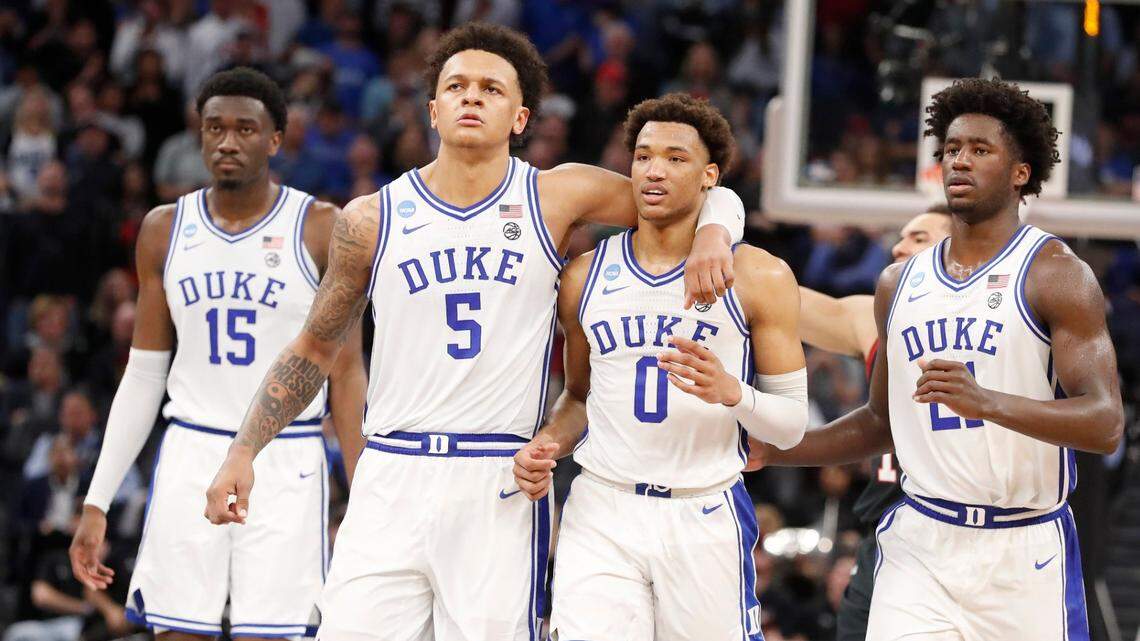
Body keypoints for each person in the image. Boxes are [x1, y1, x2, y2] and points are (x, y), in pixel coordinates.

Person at [204, 24, 745, 641]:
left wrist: (715, 232)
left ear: (521, 117)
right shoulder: (372, 218)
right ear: (433, 109)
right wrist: (243, 450)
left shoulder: (554, 195)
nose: (471, 97)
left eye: (492, 88)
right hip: (391, 471)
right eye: (456, 86)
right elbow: (313, 349)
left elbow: (689, 193)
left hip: (498, 474)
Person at [754, 77, 1124, 640]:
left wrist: (988, 402)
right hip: (920, 541)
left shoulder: (1057, 274)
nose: (959, 161)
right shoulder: (896, 284)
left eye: (980, 150)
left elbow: (1104, 423)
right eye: (951, 149)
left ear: (1021, 172)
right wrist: (776, 450)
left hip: (1022, 549)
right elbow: (881, 424)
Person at [68, 67, 367, 641]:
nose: (228, 141)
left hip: (287, 455)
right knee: (178, 632)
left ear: (276, 139)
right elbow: (144, 373)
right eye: (214, 127)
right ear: (199, 135)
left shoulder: (321, 228)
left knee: (274, 634)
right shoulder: (163, 229)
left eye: (245, 129)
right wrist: (97, 498)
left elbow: (348, 370)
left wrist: (363, 489)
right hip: (191, 447)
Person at [512, 93, 808, 640]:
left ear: (708, 176)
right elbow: (579, 397)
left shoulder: (760, 276)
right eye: (644, 155)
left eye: (675, 158)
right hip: (602, 507)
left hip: (702, 512)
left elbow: (790, 427)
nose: (655, 169)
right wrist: (548, 440)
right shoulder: (582, 276)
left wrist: (732, 393)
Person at [786, 205, 951, 641]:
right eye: (901, 237)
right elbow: (777, 298)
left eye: (918, 238)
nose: (899, 246)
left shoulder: (1005, 321)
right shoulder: (873, 316)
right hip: (887, 526)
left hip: (961, 530)